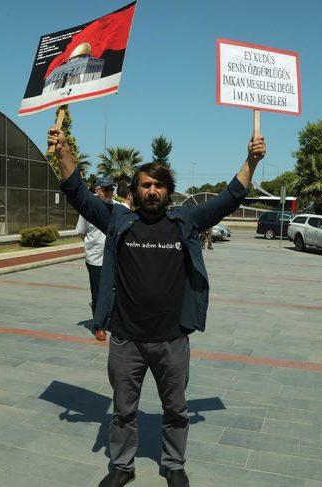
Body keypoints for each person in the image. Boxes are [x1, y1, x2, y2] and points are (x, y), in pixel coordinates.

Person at [48, 126, 265, 487]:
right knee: (122, 412)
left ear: (168, 190)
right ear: (134, 191)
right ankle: (122, 467)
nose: (153, 190)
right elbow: (79, 194)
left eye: (159, 185)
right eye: (146, 185)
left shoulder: (185, 220)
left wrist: (251, 161)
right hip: (126, 340)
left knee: (176, 410)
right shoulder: (118, 220)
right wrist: (63, 153)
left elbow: (230, 198)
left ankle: (174, 464)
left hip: (172, 339)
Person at [76, 176, 118, 341]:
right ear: (97, 190)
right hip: (95, 258)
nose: (109, 192)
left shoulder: (118, 208)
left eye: (111, 189)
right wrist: (93, 246)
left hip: (114, 259)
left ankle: (112, 320)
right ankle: (99, 326)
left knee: (114, 291)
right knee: (98, 291)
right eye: (106, 189)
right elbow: (81, 233)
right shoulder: (88, 209)